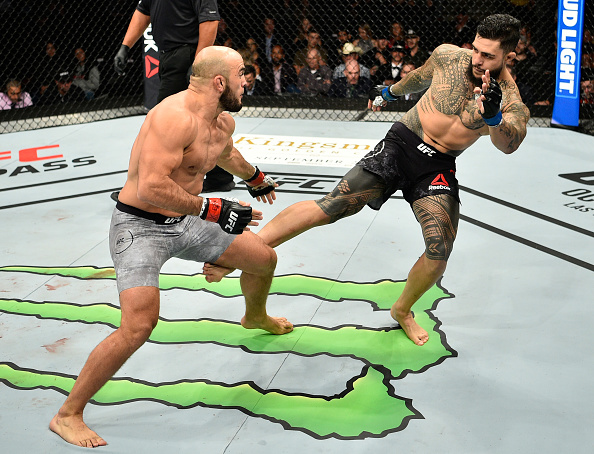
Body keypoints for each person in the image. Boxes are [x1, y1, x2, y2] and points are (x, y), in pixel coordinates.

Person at [205, 14, 530, 347]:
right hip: (401, 143)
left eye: (488, 56)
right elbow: (419, 77)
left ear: (509, 56)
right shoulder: (449, 55)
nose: (478, 60)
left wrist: (493, 116)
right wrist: (389, 92)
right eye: (476, 49)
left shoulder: (510, 99)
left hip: (437, 166)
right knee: (331, 206)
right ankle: (242, 253)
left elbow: (509, 143)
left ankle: (402, 310)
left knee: (440, 248)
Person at [49, 46, 293, 448]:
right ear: (219, 82)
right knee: (138, 326)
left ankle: (255, 316)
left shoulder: (221, 121)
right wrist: (212, 208)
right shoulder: (171, 118)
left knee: (264, 259)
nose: (246, 81)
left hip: (186, 221)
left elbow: (223, 153)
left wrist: (255, 177)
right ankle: (68, 414)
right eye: (240, 74)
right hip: (139, 228)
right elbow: (151, 186)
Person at [113, 0, 233, 193]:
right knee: (202, 118)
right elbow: (143, 11)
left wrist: (198, 63)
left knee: (162, 122)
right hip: (169, 56)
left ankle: (143, 185)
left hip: (187, 54)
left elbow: (210, 21)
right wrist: (125, 46)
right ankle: (220, 176)